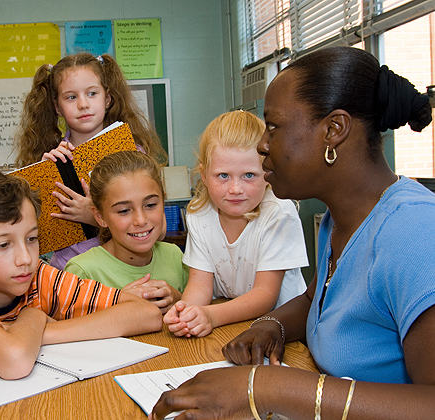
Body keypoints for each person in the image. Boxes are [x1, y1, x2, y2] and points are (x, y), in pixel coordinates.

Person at [150, 46, 435, 420]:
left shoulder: (415, 232)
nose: (263, 144)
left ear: (333, 130)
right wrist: (272, 325)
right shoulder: (341, 217)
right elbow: (319, 301)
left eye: (274, 126)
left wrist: (266, 388)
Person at [0, 169, 162, 380]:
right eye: (3, 245)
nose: (25, 258)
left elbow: (147, 314)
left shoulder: (38, 276)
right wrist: (33, 316)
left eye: (31, 239)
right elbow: (14, 361)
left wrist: (41, 334)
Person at [15, 53, 167, 269]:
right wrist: (43, 178)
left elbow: (159, 231)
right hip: (70, 273)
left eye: (92, 93)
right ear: (57, 107)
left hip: (123, 271)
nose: (83, 104)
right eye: (71, 97)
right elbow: (32, 235)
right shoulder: (49, 159)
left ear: (107, 98)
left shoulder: (134, 155)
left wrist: (95, 216)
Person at [163, 111, 307, 338]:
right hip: (234, 323)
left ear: (267, 173)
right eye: (223, 176)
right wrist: (187, 311)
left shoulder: (279, 213)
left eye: (249, 175)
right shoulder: (199, 214)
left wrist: (210, 315)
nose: (235, 189)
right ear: (203, 175)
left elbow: (264, 295)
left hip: (284, 328)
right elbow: (200, 286)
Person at [64, 151, 188, 314]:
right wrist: (115, 304)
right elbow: (71, 331)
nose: (141, 220)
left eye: (150, 205)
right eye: (123, 210)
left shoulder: (174, 256)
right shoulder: (82, 271)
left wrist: (179, 300)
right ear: (100, 217)